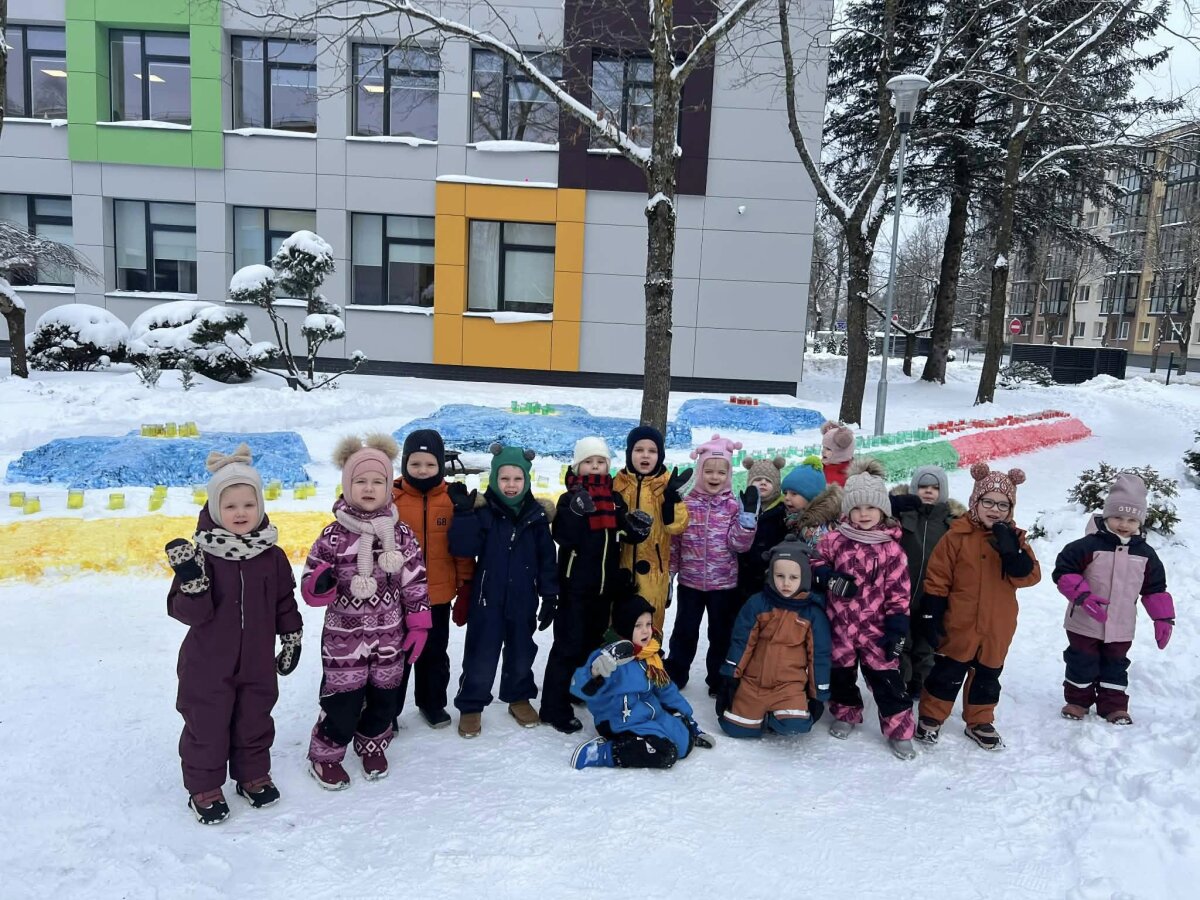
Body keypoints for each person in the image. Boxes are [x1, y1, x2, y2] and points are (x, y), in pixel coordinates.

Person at [165, 444, 303, 824]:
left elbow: (284, 601)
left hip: (257, 662)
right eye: (230, 506)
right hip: (207, 663)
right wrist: (193, 586)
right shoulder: (201, 557)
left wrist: (291, 636)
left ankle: (252, 775)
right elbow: (187, 613)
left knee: (254, 718)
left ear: (260, 506)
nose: (240, 513)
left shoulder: (272, 556)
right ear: (214, 509)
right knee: (207, 724)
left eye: (248, 504)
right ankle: (204, 787)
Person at [301, 434, 431, 789]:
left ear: (389, 487)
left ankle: (373, 744)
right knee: (343, 700)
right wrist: (319, 584)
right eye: (360, 481)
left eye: (377, 481)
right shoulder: (332, 536)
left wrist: (419, 623)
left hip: (390, 634)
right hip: (344, 639)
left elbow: (415, 580)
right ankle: (325, 754)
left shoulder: (401, 535)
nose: (369, 488)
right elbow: (311, 582)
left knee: (384, 697)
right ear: (347, 485)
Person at [915, 463, 1041, 751]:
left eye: (1002, 505)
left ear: (1010, 509)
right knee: (947, 672)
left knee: (987, 675)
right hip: (960, 623)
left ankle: (980, 720)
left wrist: (1012, 553)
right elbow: (938, 577)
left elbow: (1031, 577)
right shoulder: (956, 536)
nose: (995, 510)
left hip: (997, 625)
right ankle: (931, 716)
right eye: (988, 502)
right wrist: (931, 612)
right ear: (975, 501)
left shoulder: (1015, 539)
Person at [541, 437, 652, 733]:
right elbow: (563, 537)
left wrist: (636, 530)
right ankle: (553, 707)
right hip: (575, 588)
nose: (594, 466)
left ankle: (579, 689)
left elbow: (619, 535)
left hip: (604, 591)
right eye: (588, 461)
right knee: (568, 646)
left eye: (600, 461)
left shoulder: (614, 499)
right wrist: (576, 513)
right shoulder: (568, 498)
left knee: (592, 645)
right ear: (577, 466)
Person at [448, 443, 558, 738]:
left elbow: (547, 559)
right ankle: (471, 704)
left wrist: (550, 595)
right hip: (487, 599)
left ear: (526, 480)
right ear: (494, 478)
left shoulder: (536, 517)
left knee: (522, 652)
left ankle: (518, 697)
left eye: (517, 478)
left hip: (523, 599)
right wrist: (463, 515)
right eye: (504, 478)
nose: (511, 485)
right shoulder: (484, 512)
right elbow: (463, 547)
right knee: (481, 655)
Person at [811, 459, 916, 760]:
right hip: (839, 625)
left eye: (871, 507)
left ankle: (899, 729)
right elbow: (814, 561)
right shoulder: (835, 540)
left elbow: (899, 593)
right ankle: (846, 712)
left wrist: (897, 627)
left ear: (883, 510)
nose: (864, 513)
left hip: (875, 630)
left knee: (887, 680)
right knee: (842, 675)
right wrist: (828, 577)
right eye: (857, 508)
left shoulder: (892, 550)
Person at [1052, 473, 1174, 725]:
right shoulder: (1087, 546)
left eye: (1132, 519)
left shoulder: (1146, 554)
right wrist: (1082, 595)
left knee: (1115, 665)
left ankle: (1114, 706)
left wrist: (1163, 618)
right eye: (1118, 517)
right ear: (1107, 516)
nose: (1124, 524)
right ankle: (1078, 701)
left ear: (1140, 521)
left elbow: (1155, 588)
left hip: (1121, 625)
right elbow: (1064, 570)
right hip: (1084, 621)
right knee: (1081, 661)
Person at [569, 594, 716, 770]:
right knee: (664, 753)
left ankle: (687, 730)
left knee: (684, 745)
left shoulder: (649, 656)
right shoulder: (608, 658)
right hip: (619, 721)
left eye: (648, 624)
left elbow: (666, 690)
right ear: (624, 626)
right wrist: (594, 673)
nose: (646, 631)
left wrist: (688, 719)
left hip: (648, 715)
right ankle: (601, 753)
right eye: (638, 626)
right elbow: (578, 688)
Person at [391, 429, 475, 729]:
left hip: (438, 596)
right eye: (415, 464)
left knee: (434, 654)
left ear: (440, 464)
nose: (423, 470)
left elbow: (462, 548)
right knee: (395, 657)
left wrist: (465, 584)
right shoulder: (392, 498)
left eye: (430, 464)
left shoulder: (452, 498)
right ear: (405, 463)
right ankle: (388, 710)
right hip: (398, 597)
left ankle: (432, 703)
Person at [666, 434, 759, 694]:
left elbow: (739, 545)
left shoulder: (733, 506)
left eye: (721, 472)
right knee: (684, 630)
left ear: (728, 474)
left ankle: (718, 678)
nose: (715, 477)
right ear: (699, 472)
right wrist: (670, 575)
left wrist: (747, 521)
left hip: (723, 584)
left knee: (720, 633)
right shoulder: (687, 503)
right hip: (690, 582)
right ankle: (676, 672)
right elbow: (675, 542)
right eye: (708, 471)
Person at [717, 536, 832, 739]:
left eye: (793, 577)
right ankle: (759, 712)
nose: (786, 583)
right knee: (735, 729)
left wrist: (818, 694)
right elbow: (742, 643)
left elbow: (819, 657)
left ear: (804, 577)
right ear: (771, 575)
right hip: (753, 681)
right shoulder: (757, 604)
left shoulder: (812, 614)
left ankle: (776, 713)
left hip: (789, 685)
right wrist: (730, 676)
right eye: (780, 576)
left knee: (795, 726)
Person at [889, 465, 964, 699]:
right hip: (902, 592)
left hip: (932, 596)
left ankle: (920, 684)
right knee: (903, 641)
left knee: (926, 643)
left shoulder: (952, 523)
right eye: (923, 486)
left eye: (935, 487)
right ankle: (902, 681)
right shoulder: (903, 514)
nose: (928, 491)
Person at [613, 425, 690, 631]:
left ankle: (651, 653)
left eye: (652, 451)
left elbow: (677, 526)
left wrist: (672, 501)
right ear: (629, 453)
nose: (645, 455)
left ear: (660, 455)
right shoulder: (618, 484)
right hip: (621, 568)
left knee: (650, 624)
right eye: (639, 450)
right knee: (619, 623)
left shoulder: (666, 485)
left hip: (654, 573)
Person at [736, 455, 788, 604]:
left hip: (770, 574)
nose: (763, 483)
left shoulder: (783, 511)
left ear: (776, 485)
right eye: (758, 479)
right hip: (744, 574)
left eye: (768, 481)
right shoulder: (741, 507)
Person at [781, 455, 843, 554]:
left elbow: (816, 556)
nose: (787, 498)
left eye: (794, 494)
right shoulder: (793, 515)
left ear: (811, 497)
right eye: (785, 493)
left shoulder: (816, 528)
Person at [820, 421, 856, 488]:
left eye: (828, 449)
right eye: (823, 447)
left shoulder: (844, 479)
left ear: (841, 453)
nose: (823, 451)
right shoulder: (821, 467)